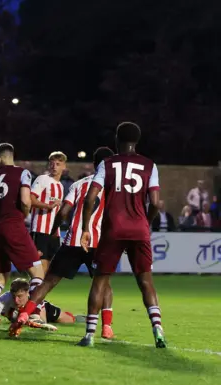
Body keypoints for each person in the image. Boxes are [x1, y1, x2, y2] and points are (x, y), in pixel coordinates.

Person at [77, 121, 166, 348]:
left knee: (100, 280)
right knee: (146, 281)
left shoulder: (107, 163)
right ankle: (158, 329)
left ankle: (89, 335)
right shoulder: (150, 165)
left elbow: (90, 198)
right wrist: (146, 220)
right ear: (137, 141)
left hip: (113, 229)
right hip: (139, 229)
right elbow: (155, 202)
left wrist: (86, 227)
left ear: (117, 140)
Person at [19, 147, 117, 339]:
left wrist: (55, 228)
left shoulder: (78, 185)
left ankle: (24, 315)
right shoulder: (112, 187)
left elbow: (63, 212)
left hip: (72, 241)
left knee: (48, 282)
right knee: (104, 285)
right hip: (96, 242)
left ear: (95, 164)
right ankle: (106, 327)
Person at [0, 142, 45, 333]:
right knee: (37, 273)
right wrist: (25, 213)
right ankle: (34, 314)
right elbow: (25, 200)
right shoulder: (23, 173)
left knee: (0, 276)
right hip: (13, 226)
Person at [29, 151, 67, 273]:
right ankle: (32, 291)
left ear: (64, 167)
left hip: (53, 232)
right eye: (52, 164)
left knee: (51, 270)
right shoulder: (43, 179)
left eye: (58, 164)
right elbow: (31, 199)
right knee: (40, 269)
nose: (54, 166)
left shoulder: (60, 186)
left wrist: (56, 229)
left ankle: (36, 291)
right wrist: (48, 206)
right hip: (40, 229)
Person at [0, 279, 77, 327]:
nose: (16, 300)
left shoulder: (36, 299)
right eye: (14, 296)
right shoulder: (5, 298)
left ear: (27, 292)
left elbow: (42, 322)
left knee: (70, 320)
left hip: (47, 310)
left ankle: (81, 317)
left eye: (20, 296)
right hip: (22, 316)